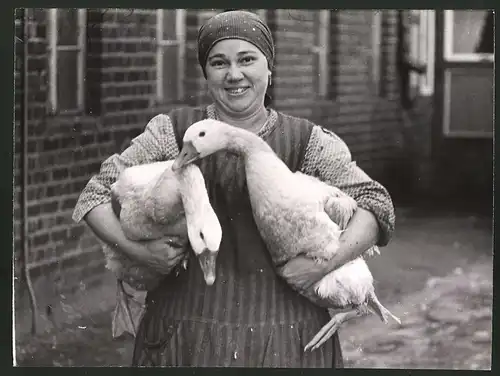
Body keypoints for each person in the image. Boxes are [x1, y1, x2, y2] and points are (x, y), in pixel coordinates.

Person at [73, 10, 396, 367]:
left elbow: (375, 204)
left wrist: (324, 265)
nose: (234, 74)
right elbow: (95, 195)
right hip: (183, 341)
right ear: (206, 73)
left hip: (287, 343)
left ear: (269, 68)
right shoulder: (174, 132)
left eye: (247, 59)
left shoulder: (308, 142)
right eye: (218, 62)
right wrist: (138, 252)